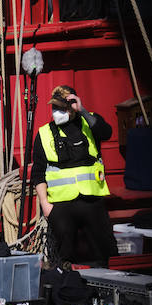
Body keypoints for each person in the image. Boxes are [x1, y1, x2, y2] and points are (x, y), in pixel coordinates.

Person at [31, 84, 115, 265]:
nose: (56, 111)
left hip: (92, 201)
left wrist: (82, 110)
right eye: (54, 107)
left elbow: (106, 133)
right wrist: (45, 205)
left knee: (102, 251)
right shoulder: (44, 133)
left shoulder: (90, 122)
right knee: (64, 256)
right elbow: (38, 172)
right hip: (61, 206)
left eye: (61, 107)